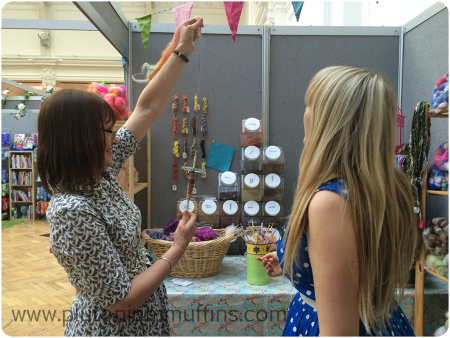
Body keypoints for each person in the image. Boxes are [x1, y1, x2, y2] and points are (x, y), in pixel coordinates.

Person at [37, 17, 204, 337]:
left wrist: (182, 50)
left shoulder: (98, 177)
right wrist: (177, 249)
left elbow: (147, 110)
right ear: (80, 139)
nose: (115, 138)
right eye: (107, 131)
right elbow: (122, 301)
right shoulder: (72, 211)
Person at [257, 66, 418, 337]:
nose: (304, 113)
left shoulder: (330, 204)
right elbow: (361, 265)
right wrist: (293, 259)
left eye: (311, 105)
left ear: (330, 122)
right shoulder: (387, 186)